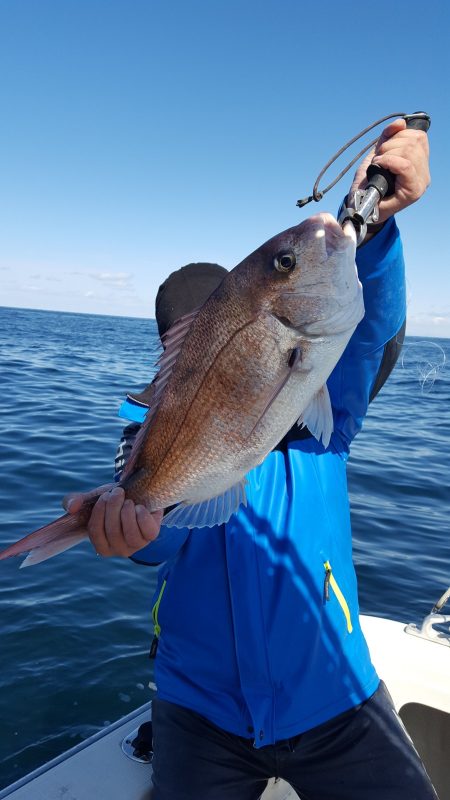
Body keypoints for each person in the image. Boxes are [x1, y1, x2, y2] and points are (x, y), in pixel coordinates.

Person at [65, 119, 435, 799]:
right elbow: (156, 539)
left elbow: (367, 336)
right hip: (197, 708)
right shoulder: (147, 432)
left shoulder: (323, 424)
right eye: (186, 356)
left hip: (336, 693)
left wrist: (377, 230)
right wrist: (127, 530)